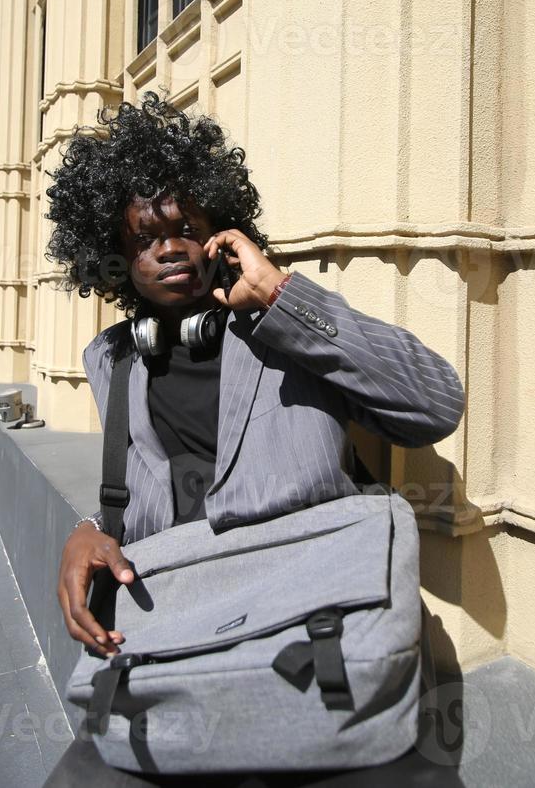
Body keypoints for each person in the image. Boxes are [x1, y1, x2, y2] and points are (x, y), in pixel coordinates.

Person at [42, 93, 467, 784]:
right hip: (182, 641)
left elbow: (435, 405)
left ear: (220, 230)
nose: (170, 248)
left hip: (320, 632)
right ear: (115, 258)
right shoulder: (112, 360)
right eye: (145, 239)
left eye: (186, 227)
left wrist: (279, 299)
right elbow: (143, 502)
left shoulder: (285, 320)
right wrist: (90, 529)